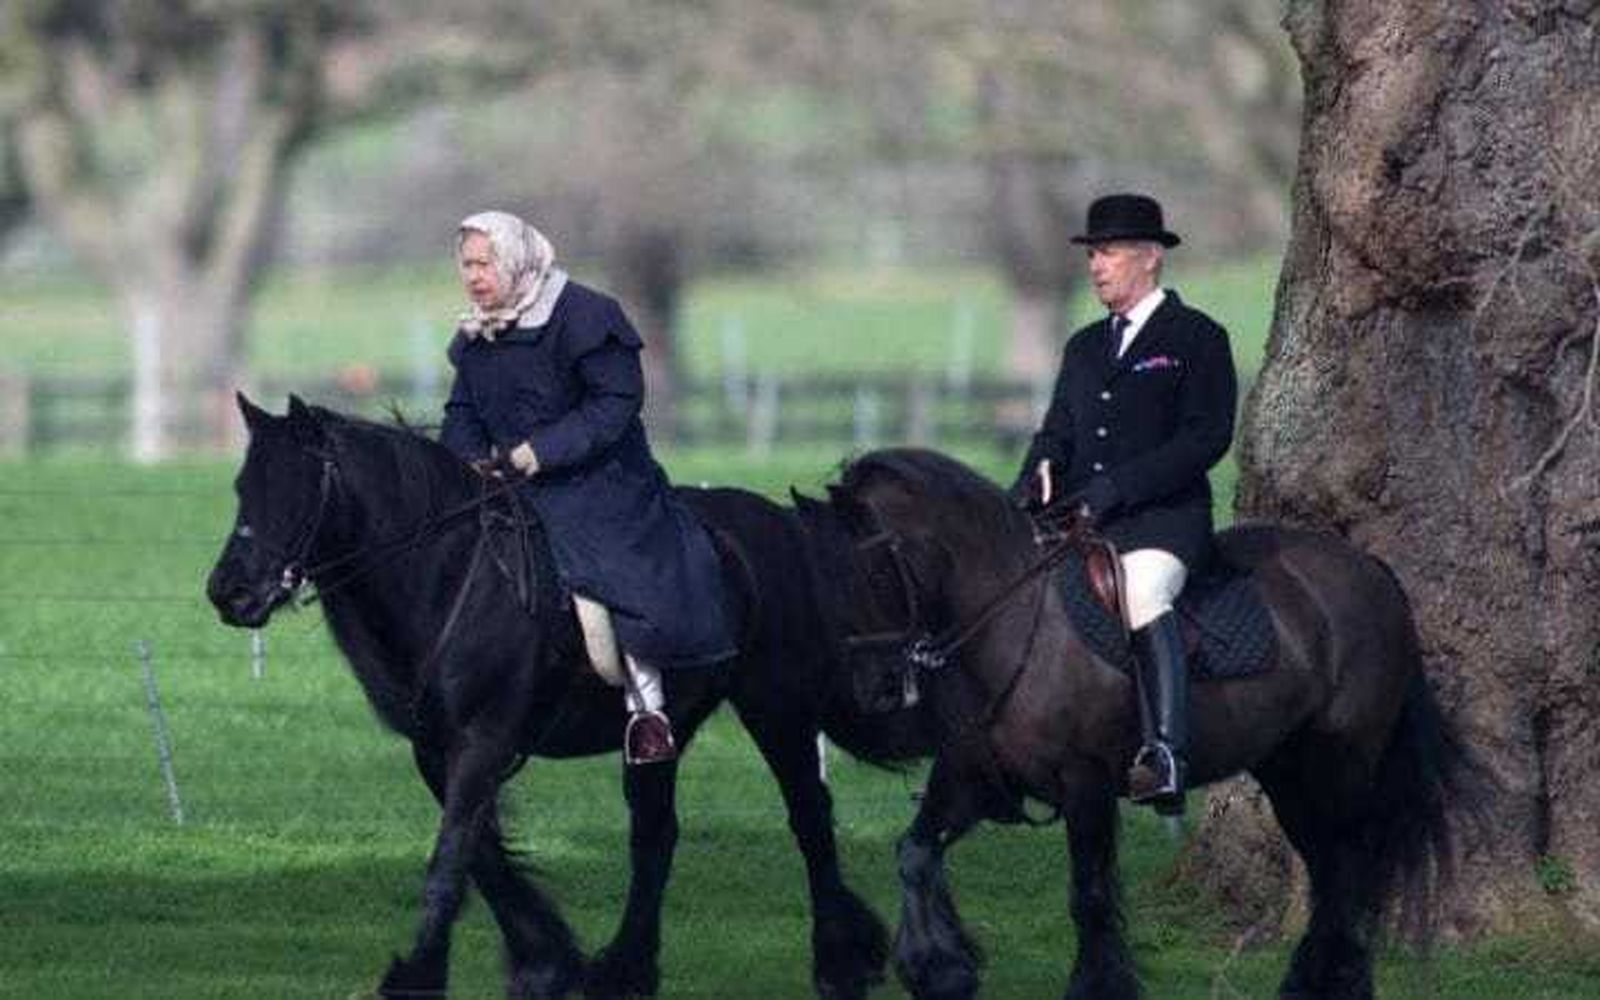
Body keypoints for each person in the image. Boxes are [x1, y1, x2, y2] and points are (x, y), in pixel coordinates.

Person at [440, 209, 736, 765]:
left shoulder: (587, 316)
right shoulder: (478, 332)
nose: (474, 276)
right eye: (467, 264)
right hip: (505, 485)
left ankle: (646, 709)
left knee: (610, 571)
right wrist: (473, 460)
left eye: (485, 263)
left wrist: (538, 453)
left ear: (516, 259)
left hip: (598, 482)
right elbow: (461, 413)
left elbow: (614, 405)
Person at [1012, 193, 1237, 813]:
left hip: (1162, 524)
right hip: (1081, 523)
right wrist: (1027, 486)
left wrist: (1119, 488)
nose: (1095, 265)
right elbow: (1055, 432)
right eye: (1091, 254)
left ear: (1150, 258)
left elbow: (1205, 438)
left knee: (1143, 591)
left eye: (1107, 253)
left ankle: (1166, 752)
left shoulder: (1197, 339)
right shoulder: (1083, 347)